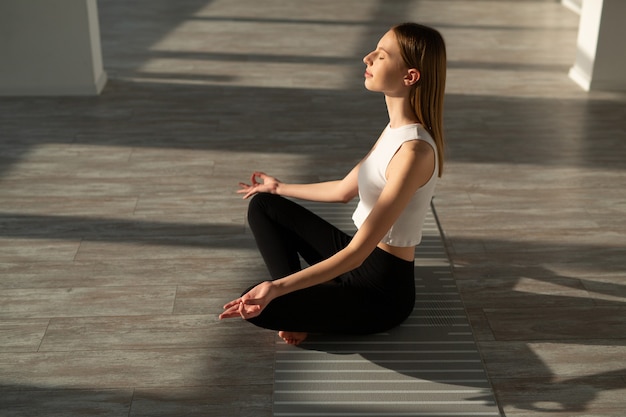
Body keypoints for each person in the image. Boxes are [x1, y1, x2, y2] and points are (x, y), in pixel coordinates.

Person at [219, 22, 447, 345]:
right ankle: (302, 307)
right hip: (359, 264)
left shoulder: (414, 153)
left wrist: (277, 288)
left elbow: (357, 253)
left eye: (381, 56)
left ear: (410, 77)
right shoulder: (395, 131)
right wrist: (278, 187)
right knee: (264, 206)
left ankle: (299, 308)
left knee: (258, 302)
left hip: (382, 293)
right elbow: (343, 190)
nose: (367, 58)